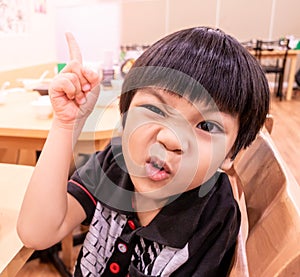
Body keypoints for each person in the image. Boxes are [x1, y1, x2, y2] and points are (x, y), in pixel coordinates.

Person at [17, 26, 270, 276]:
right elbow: (37, 232)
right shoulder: (115, 162)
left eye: (206, 125)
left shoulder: (214, 214)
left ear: (230, 154)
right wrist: (68, 124)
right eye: (156, 110)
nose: (171, 138)